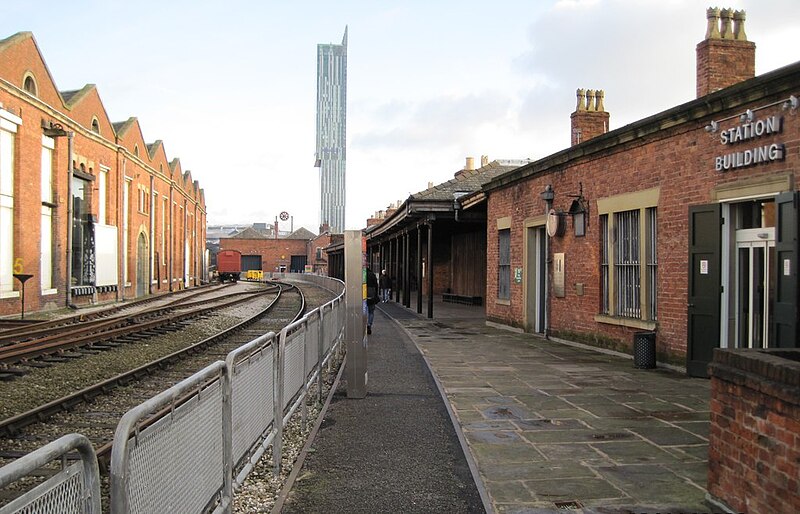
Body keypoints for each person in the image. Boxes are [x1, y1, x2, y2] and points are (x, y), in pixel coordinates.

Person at [365, 267, 379, 334]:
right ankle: (369, 324)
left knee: (364, 310)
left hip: (363, 294)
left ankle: (364, 325)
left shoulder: (362, 274)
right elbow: (376, 285)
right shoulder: (372, 274)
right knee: (371, 312)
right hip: (372, 294)